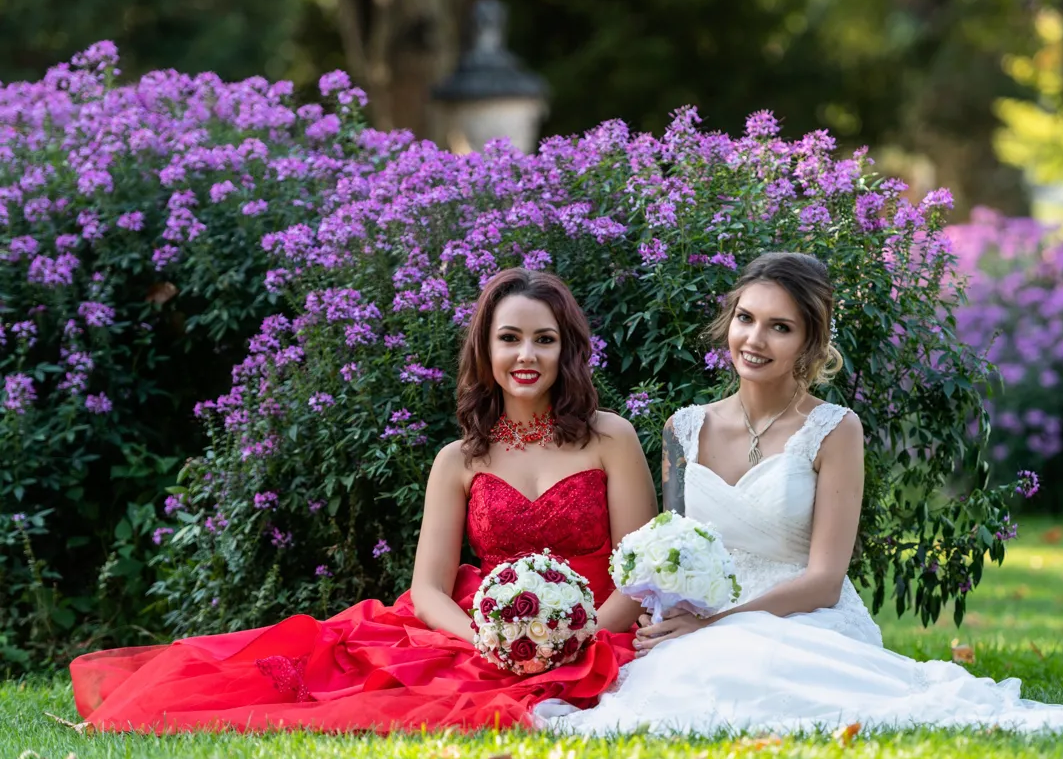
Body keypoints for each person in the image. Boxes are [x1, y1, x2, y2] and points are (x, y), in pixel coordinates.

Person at [536, 252, 1063, 736]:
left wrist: (717, 619)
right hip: (696, 623)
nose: (755, 339)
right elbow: (664, 555)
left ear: (809, 342)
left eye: (779, 327)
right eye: (746, 318)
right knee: (666, 692)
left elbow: (821, 575)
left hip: (800, 616)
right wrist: (633, 625)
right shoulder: (680, 429)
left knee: (742, 677)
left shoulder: (833, 430)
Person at [70, 268, 657, 733]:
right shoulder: (459, 459)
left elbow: (639, 573)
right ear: (485, 350)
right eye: (510, 338)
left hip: (600, 630)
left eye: (544, 340)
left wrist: (578, 642)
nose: (526, 355)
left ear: (566, 350)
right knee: (343, 680)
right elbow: (428, 588)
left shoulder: (611, 438)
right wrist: (491, 643)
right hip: (489, 632)